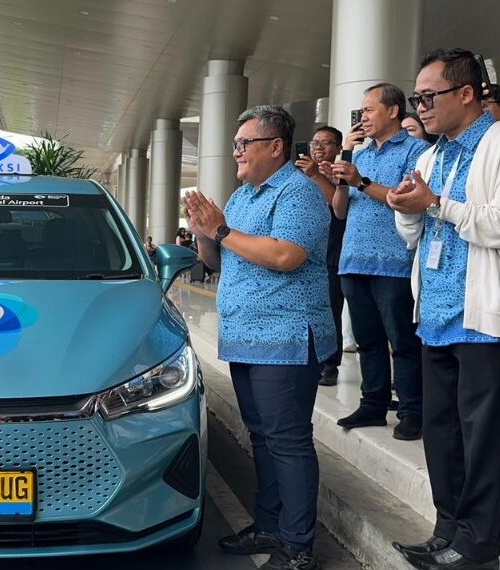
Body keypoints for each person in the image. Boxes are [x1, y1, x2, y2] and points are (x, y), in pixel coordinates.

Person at [389, 48, 500, 570]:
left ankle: (477, 547)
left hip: (485, 319)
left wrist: (435, 204)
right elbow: (414, 234)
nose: (421, 107)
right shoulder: (433, 155)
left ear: (467, 94)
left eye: (429, 96)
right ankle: (447, 529)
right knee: (443, 432)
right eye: (417, 97)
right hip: (436, 314)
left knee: (484, 438)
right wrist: (406, 208)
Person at [185, 105, 334, 570]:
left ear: (276, 146)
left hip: (287, 338)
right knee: (263, 439)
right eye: (235, 145)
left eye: (243, 144)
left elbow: (286, 255)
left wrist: (221, 229)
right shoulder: (243, 195)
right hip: (246, 336)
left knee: (287, 440)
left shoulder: (299, 194)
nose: (236, 153)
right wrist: (202, 235)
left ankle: (297, 546)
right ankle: (269, 524)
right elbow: (217, 260)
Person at [324, 83, 430, 441]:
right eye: (362, 112)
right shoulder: (361, 154)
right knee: (368, 340)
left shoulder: (417, 150)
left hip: (394, 261)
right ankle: (372, 403)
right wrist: (344, 178)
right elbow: (340, 211)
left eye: (369, 110)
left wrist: (362, 181)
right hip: (354, 260)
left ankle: (413, 409)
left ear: (394, 111)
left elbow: (407, 199)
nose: (363, 117)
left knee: (402, 340)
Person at [296, 126, 346, 386]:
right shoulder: (300, 173)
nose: (319, 147)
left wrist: (317, 175)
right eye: (315, 142)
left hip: (335, 250)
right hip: (305, 250)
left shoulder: (342, 172)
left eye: (326, 143)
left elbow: (338, 208)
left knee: (331, 307)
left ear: (338, 148)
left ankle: (330, 364)